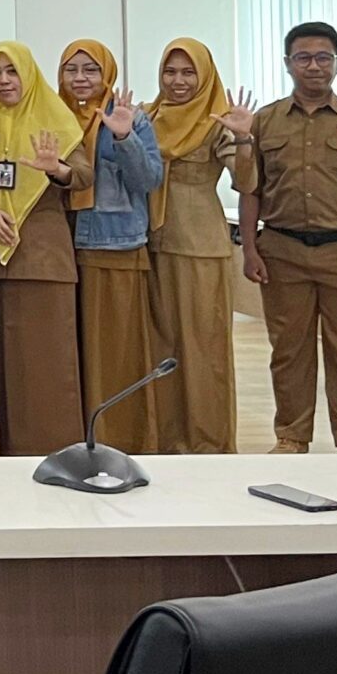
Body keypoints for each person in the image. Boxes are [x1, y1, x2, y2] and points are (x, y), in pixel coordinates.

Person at [239, 21, 337, 454]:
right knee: (288, 351)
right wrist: (250, 248)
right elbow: (251, 189)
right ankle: (291, 436)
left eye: (323, 58)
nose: (314, 66)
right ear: (288, 63)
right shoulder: (265, 120)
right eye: (304, 58)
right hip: (283, 250)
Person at [0, 42, 91, 457]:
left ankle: (54, 451)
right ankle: (4, 453)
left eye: (12, 72)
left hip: (43, 261)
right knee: (0, 366)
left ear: (29, 75)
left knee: (47, 365)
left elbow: (84, 175)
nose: (4, 81)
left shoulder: (53, 118)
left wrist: (57, 168)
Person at [147, 40, 255, 454]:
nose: (178, 81)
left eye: (188, 72)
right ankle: (166, 444)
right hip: (152, 246)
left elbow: (245, 181)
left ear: (205, 76)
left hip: (199, 248)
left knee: (204, 350)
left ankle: (209, 445)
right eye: (170, 71)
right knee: (161, 347)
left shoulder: (216, 122)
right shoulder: (148, 117)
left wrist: (244, 139)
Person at [59, 40, 163, 453]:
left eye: (90, 70)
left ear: (107, 75)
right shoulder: (50, 114)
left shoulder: (129, 118)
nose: (80, 78)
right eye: (71, 70)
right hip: (61, 251)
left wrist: (124, 137)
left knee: (116, 356)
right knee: (71, 358)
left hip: (113, 248)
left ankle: (122, 440)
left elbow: (148, 180)